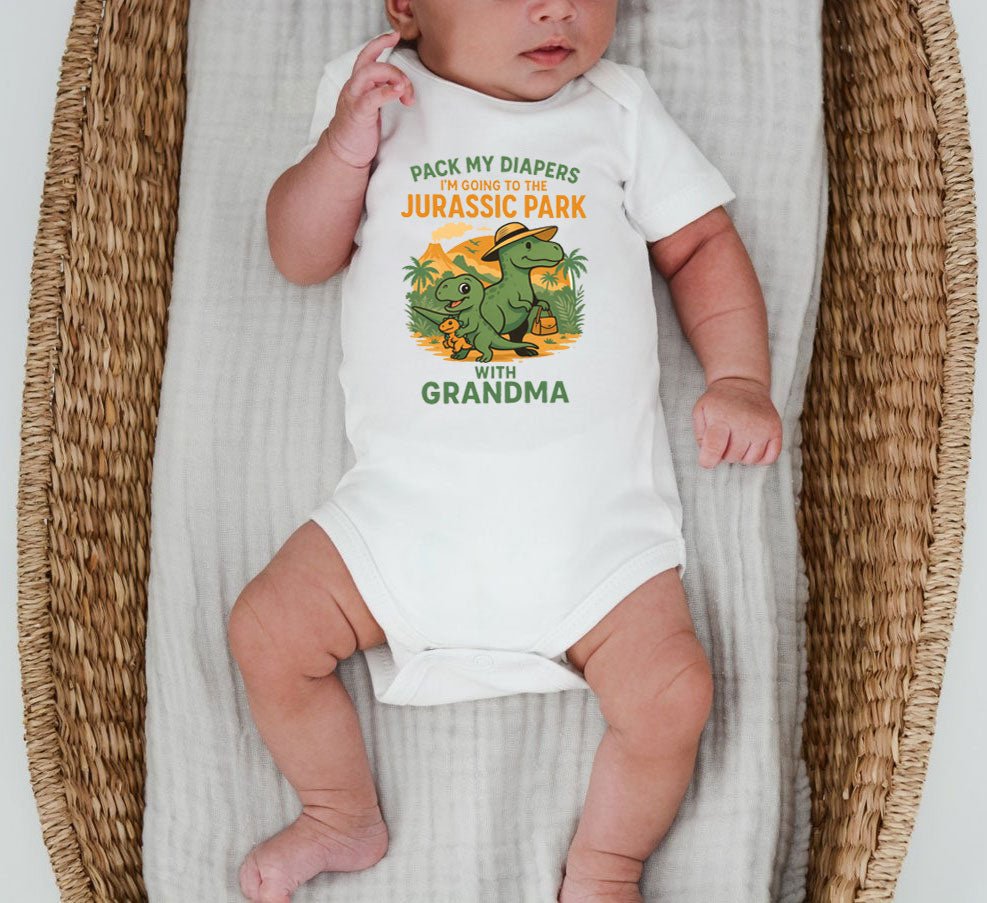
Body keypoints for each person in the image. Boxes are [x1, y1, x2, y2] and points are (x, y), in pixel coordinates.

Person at [230, 1, 783, 900]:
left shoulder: (618, 108)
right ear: (406, 9)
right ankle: (338, 812)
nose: (555, 8)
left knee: (673, 695)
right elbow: (299, 256)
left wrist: (739, 377)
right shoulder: (375, 94)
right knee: (266, 631)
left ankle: (606, 862)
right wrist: (341, 149)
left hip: (592, 540)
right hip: (404, 516)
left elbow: (699, 246)